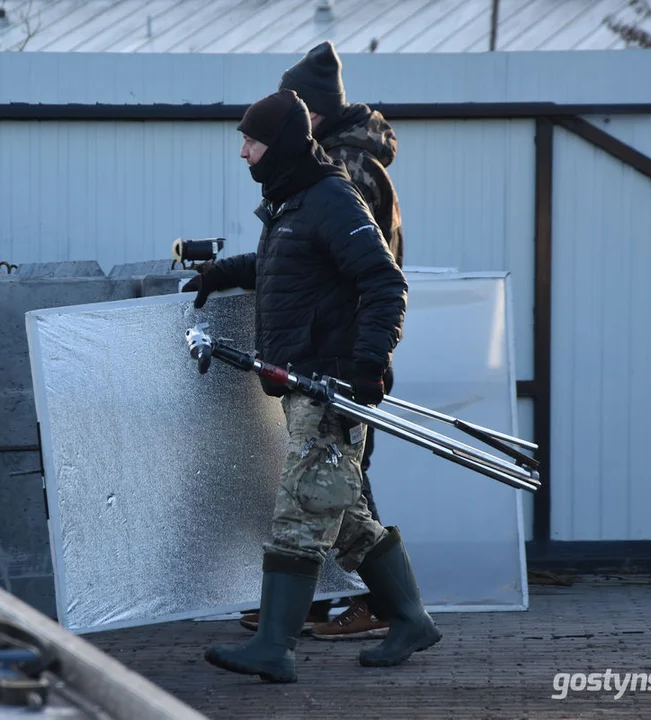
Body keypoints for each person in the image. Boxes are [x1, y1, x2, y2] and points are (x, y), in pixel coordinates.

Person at [182, 89, 440, 683]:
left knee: (299, 511)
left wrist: (367, 368)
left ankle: (275, 647)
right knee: (344, 516)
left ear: (283, 145)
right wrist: (222, 271)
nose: (243, 153)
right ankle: (411, 621)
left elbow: (385, 283)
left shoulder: (329, 197)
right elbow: (286, 265)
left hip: (334, 387)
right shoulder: (292, 202)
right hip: (304, 386)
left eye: (251, 141)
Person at [276, 39, 405, 640]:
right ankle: (306, 602)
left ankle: (384, 605)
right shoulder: (338, 160)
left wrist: (365, 357)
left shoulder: (344, 171)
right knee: (330, 481)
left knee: (343, 477)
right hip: (337, 344)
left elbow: (359, 271)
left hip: (343, 350)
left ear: (315, 112)